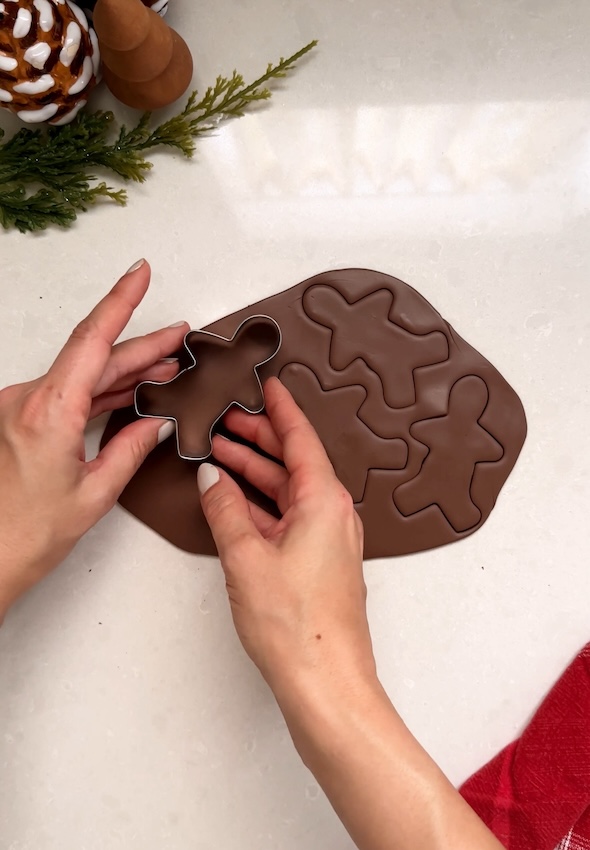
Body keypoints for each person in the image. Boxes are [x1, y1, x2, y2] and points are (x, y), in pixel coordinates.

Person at [0, 260, 504, 850]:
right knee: (184, 419)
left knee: (188, 424)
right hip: (184, 407)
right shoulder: (229, 363)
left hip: (190, 416)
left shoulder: (239, 368)